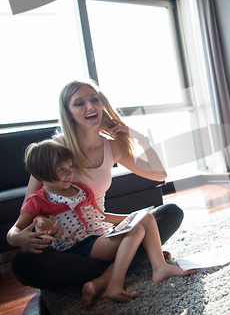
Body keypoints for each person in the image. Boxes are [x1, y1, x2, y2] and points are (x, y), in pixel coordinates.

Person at [8, 79, 192, 307]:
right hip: (68, 241)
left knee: (168, 213)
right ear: (68, 113)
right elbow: (31, 204)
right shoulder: (54, 150)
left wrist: (140, 138)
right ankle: (132, 259)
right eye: (79, 103)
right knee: (25, 264)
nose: (90, 106)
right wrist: (41, 225)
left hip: (100, 227)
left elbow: (159, 174)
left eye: (94, 99)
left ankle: (104, 277)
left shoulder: (112, 147)